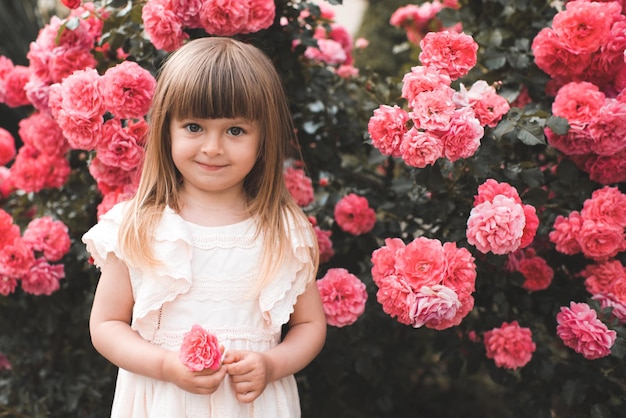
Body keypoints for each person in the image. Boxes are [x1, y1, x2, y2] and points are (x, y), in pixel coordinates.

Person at [83, 37, 327, 418]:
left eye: (235, 131)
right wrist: (165, 366)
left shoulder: (282, 231)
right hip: (163, 402)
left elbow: (310, 325)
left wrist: (272, 365)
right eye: (194, 127)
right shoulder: (140, 226)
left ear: (263, 138)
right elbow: (106, 324)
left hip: (251, 406)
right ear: (167, 130)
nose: (212, 147)